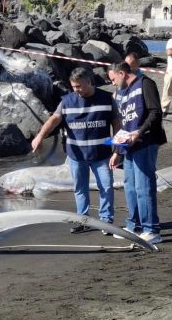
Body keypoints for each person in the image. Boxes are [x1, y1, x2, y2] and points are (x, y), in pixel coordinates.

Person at [31, 67, 120, 231]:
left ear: (88, 82)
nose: (76, 90)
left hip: (101, 154)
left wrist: (117, 149)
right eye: (73, 87)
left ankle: (106, 220)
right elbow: (54, 119)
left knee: (106, 187)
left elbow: (117, 122)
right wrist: (40, 136)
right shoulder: (66, 101)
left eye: (79, 86)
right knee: (80, 188)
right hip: (76, 155)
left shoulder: (107, 99)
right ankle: (82, 220)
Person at [107, 62, 167, 245]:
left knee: (143, 186)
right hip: (129, 145)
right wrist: (117, 151)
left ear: (122, 73)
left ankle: (151, 229)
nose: (113, 84)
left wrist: (139, 132)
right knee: (130, 186)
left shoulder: (145, 83)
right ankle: (135, 225)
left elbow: (156, 112)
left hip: (146, 142)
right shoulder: (120, 93)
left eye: (113, 79)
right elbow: (123, 124)